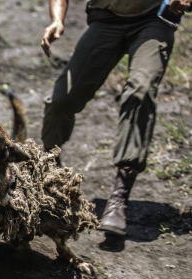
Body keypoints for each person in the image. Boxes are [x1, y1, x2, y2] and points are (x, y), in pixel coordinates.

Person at [40, 0, 190, 237]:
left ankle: (119, 197)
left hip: (154, 18)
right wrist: (57, 20)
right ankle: (50, 173)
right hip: (106, 18)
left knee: (140, 92)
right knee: (62, 100)